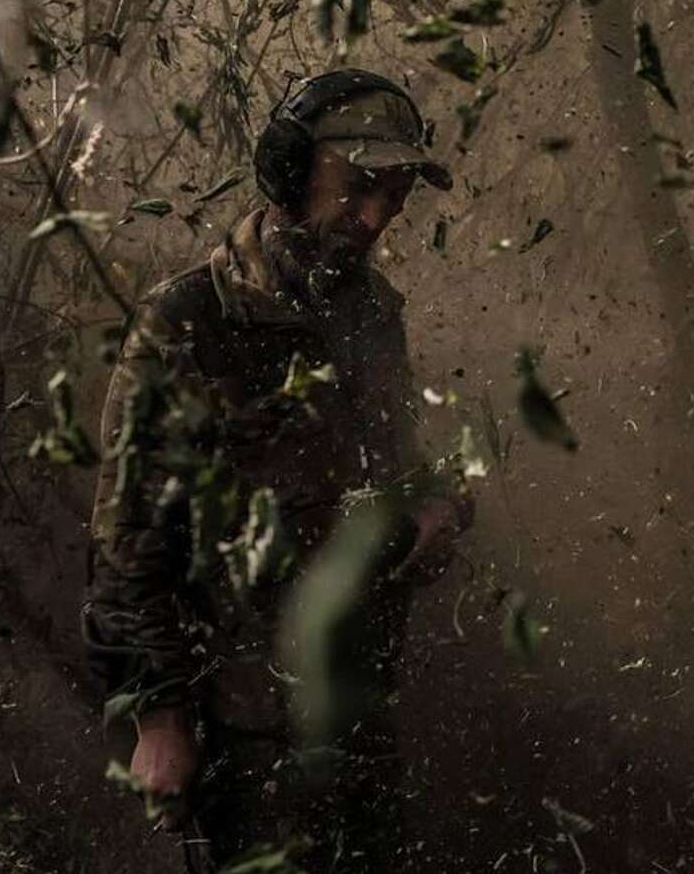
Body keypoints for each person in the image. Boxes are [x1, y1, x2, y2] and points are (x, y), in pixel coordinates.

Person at [83, 69, 468, 870]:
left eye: (394, 196)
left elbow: (395, 474)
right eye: (358, 186)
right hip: (248, 735)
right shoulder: (189, 321)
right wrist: (161, 717)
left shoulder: (374, 315)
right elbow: (127, 542)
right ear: (291, 169)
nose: (374, 217)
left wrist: (437, 513)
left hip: (360, 720)